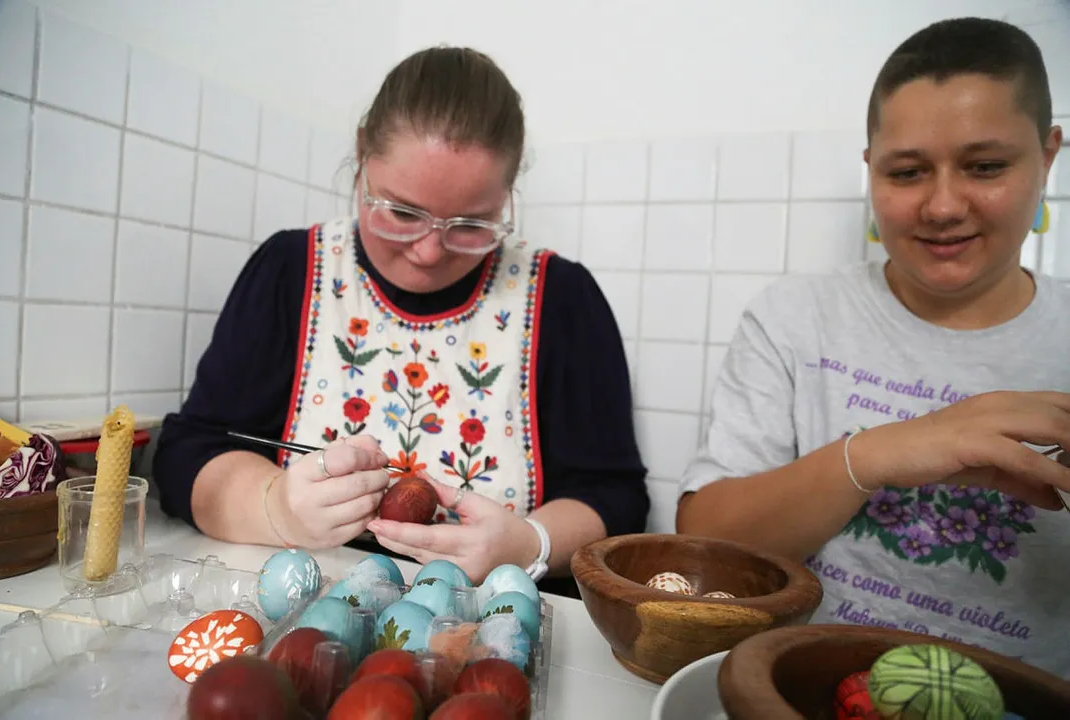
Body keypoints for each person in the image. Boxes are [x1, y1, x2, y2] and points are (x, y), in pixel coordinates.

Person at [153, 46, 649, 594]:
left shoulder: (563, 298)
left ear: (506, 197)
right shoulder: (291, 271)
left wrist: (530, 544)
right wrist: (275, 507)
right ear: (362, 155)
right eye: (402, 212)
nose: (429, 253)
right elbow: (188, 453)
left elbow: (615, 499)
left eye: (471, 224)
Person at [677, 17, 1070, 676]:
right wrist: (874, 454)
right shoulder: (793, 319)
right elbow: (704, 543)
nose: (942, 206)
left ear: (1047, 156)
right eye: (907, 172)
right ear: (870, 170)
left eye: (985, 166)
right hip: (802, 688)